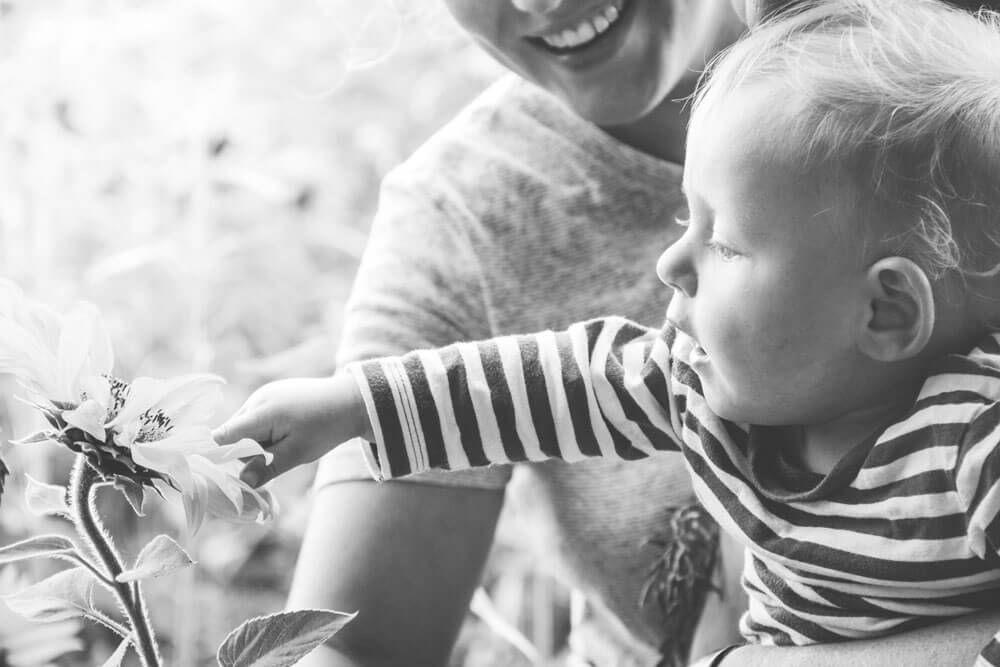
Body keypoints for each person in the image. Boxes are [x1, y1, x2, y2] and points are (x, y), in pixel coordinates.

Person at [216, 1, 1000, 665]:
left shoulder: (971, 441)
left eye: (722, 242)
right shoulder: (686, 378)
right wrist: (353, 405)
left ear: (889, 310)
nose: (671, 264)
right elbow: (550, 382)